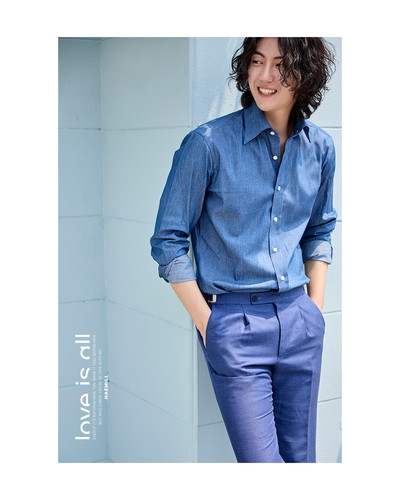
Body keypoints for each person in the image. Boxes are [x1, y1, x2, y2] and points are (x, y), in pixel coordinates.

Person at [150, 37, 338, 463]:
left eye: (280, 64)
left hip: (299, 319)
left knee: (302, 463)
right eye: (256, 61)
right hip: (233, 325)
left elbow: (320, 228)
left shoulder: (320, 148)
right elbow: (168, 240)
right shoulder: (208, 144)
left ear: (306, 73)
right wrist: (209, 324)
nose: (265, 76)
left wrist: (314, 309)